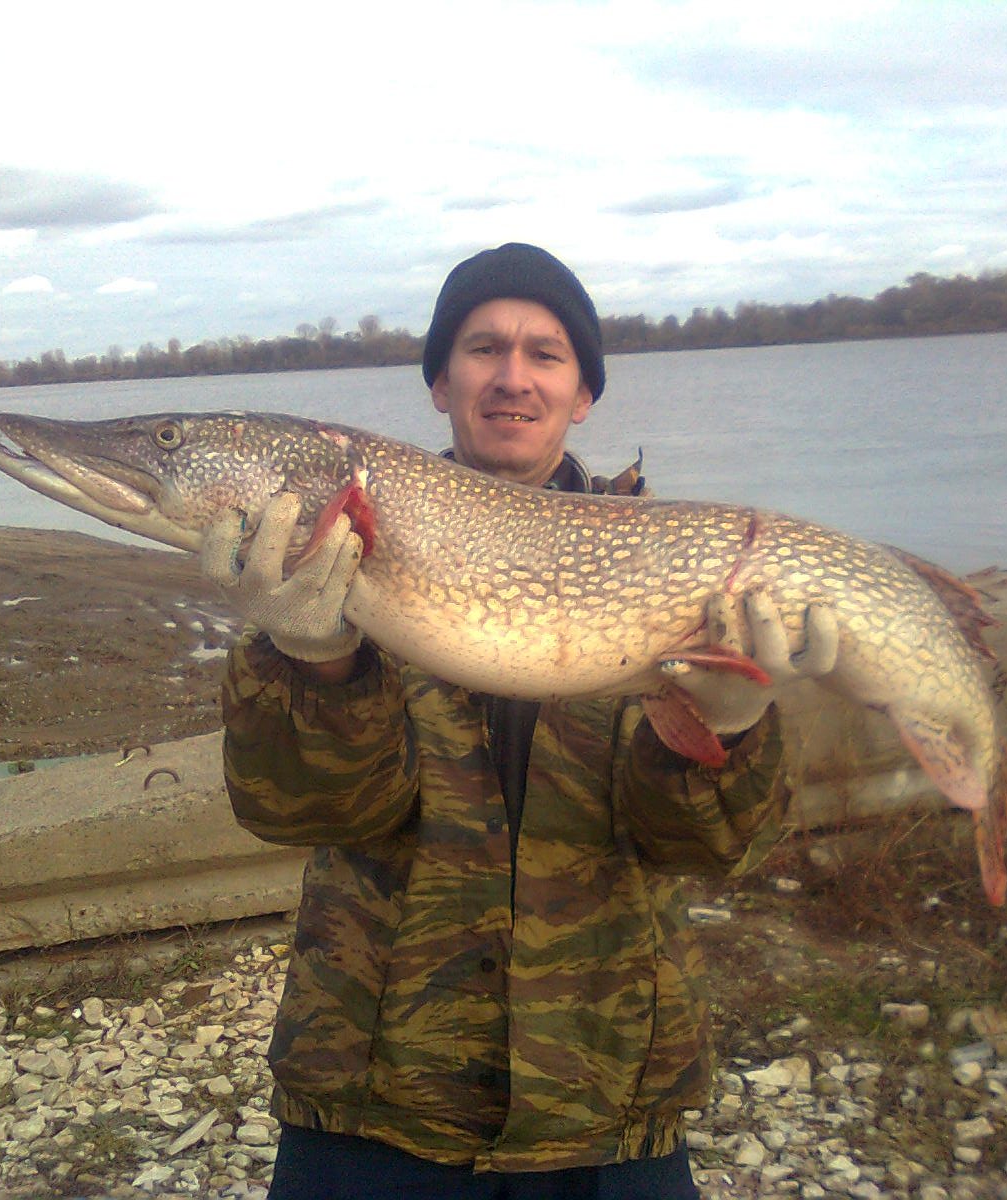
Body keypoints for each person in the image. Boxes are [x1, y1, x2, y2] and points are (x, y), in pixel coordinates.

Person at [207, 243, 828, 1198]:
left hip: (608, 1100)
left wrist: (725, 732)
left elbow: (707, 849)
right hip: (375, 1097)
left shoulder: (682, 574)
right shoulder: (330, 563)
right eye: (483, 347)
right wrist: (317, 661)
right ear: (438, 383)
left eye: (546, 353)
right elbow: (301, 814)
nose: (511, 377)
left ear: (583, 394)